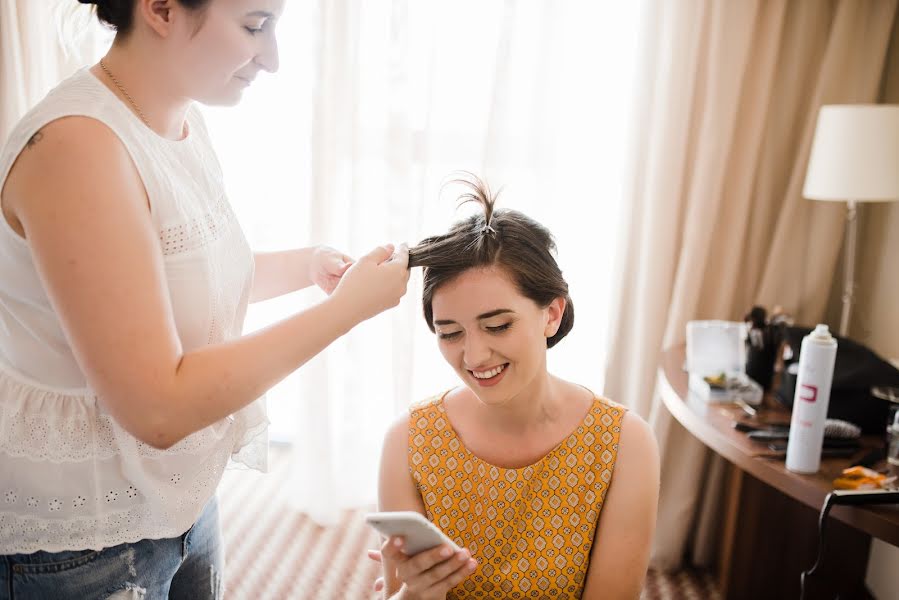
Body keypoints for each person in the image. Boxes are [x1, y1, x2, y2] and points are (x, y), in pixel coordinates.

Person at [0, 1, 408, 597]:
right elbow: (157, 409)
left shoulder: (175, 118)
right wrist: (345, 312)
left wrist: (306, 266)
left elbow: (170, 281)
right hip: (83, 539)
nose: (272, 59)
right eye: (254, 26)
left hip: (180, 502)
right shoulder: (76, 150)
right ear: (162, 9)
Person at [373, 175, 660, 599]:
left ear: (552, 314)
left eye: (497, 325)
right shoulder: (408, 440)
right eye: (450, 333)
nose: (473, 357)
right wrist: (411, 596)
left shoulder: (623, 443)